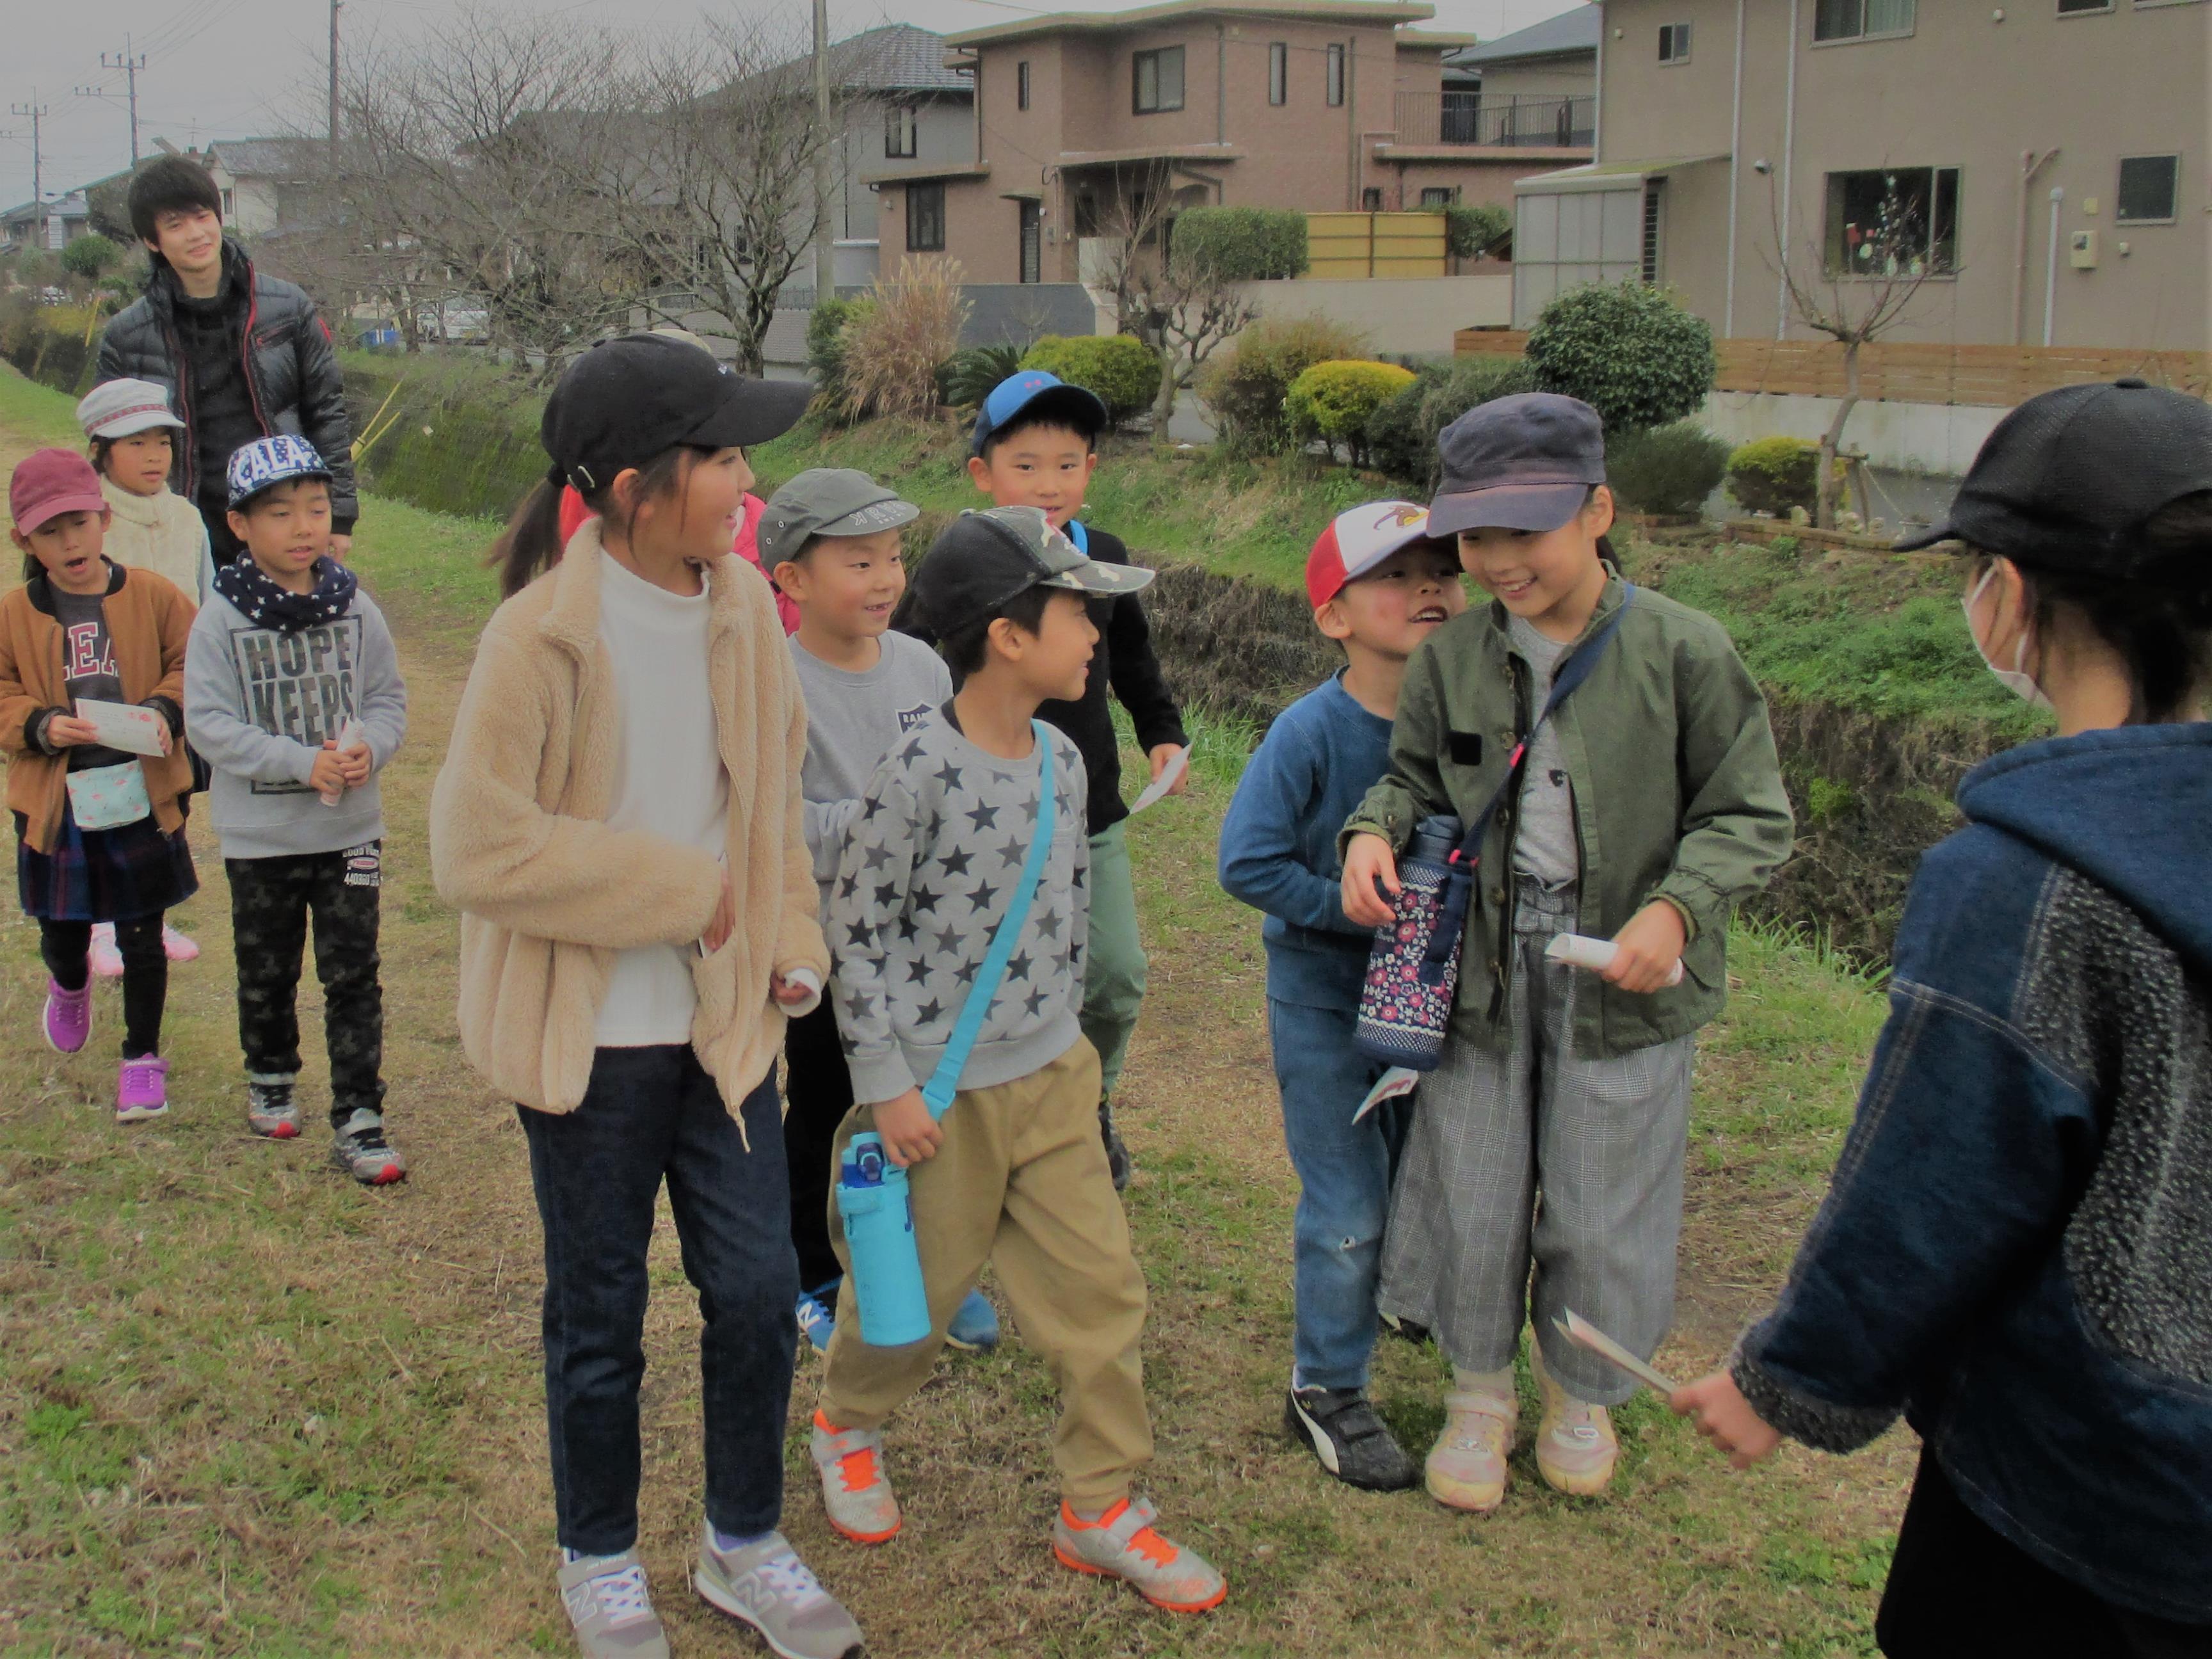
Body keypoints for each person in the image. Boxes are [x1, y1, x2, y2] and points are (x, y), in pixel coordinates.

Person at [1671, 380, 2212, 1656]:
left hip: (2087, 1483)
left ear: (2011, 599)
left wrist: (1790, 1379)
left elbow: (1935, 1182)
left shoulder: (2027, 881)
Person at [428, 335, 861, 1659]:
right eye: (725, 456)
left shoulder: (742, 609)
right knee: (599, 1312)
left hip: (723, 1026)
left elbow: (770, 799)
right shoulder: (536, 638)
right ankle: (599, 1561)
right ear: (634, 484)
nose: (748, 481)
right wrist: (680, 892)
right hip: (590, 1041)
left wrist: (789, 936)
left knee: (756, 1289)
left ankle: (744, 1542)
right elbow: (475, 849)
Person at [1339, 394, 1793, 1512]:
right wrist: (1369, 832)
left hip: (1624, 964)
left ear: (1599, 510)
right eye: (1476, 538)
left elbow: (1748, 813)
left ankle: (1579, 1391)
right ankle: (1478, 1393)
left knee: (1604, 1188)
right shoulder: (1453, 657)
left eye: (1523, 532)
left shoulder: (1686, 649)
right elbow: (1410, 778)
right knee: (1474, 1175)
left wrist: (1677, 912)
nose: (1496, 561)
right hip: (1482, 956)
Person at [810, 506, 1226, 1616]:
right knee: (912, 1304)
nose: (1097, 633)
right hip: (940, 1099)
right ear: (1006, 635)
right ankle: (846, 1423)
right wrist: (886, 1083)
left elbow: (1070, 914)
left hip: (1053, 1080)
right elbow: (855, 930)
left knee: (1102, 1294)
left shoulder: (1058, 756)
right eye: (1076, 613)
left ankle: (1100, 1508)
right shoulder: (915, 773)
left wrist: (1077, 1055)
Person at [1218, 502, 1468, 1491]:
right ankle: (1327, 1386)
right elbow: (1245, 862)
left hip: (1437, 1011)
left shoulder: (1473, 725)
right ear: (1333, 616)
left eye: (1442, 572)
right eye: (1396, 577)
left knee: (1418, 1189)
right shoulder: (1309, 731)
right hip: (1324, 1002)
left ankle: (1408, 1317)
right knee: (1348, 1201)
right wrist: (1345, 910)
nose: (1429, 591)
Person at [760, 467, 1002, 1359]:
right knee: (831, 1106)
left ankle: (938, 1265)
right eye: (858, 563)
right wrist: (879, 823)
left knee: (932, 1100)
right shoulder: (776, 684)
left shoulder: (924, 664)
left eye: (894, 558)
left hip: (929, 941)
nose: (886, 580)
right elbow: (774, 822)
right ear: (791, 580)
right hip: (832, 947)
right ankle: (816, 1273)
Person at [956, 371, 1189, 1188]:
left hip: (1091, 810)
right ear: (983, 473)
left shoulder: (1107, 559)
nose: (1048, 484)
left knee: (1115, 975)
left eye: (1067, 464)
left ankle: (1090, 1103)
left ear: (1092, 467)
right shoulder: (964, 566)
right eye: (1025, 465)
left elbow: (1132, 660)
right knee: (999, 980)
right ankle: (989, 1134)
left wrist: (1163, 733)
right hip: (986, 817)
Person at [183, 436, 408, 1183]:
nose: (303, 526)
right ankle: (271, 1074)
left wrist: (367, 751)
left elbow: (386, 702)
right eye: (280, 513)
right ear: (240, 525)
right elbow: (208, 723)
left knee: (353, 973)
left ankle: (360, 1112)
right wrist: (297, 761)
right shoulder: (220, 618)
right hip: (261, 834)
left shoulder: (356, 606)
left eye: (315, 508)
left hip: (351, 829)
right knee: (267, 966)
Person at [2, 449, 197, 1122]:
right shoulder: (14, 614)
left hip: (139, 796)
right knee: (62, 929)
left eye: (79, 523)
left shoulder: (152, 596)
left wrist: (167, 710)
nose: (70, 542)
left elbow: (192, 662)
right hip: (59, 807)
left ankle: (141, 1058)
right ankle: (70, 980)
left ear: (103, 519)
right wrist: (39, 724)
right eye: (50, 532)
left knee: (143, 936)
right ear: (23, 540)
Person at [95, 155, 357, 566]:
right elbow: (109, 447)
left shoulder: (288, 308)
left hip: (280, 514)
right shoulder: (127, 335)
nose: (196, 234)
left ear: (218, 216)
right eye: (175, 225)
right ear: (152, 241)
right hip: (180, 524)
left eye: (202, 217)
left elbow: (328, 413)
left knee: (285, 626)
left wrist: (339, 516)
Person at [75, 377, 216, 975]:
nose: (155, 455)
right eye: (137, 443)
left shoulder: (186, 518)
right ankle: (101, 926)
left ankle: (151, 918)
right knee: (108, 804)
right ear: (102, 451)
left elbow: (207, 600)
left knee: (167, 803)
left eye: (163, 441)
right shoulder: (90, 522)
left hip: (175, 689)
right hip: (107, 692)